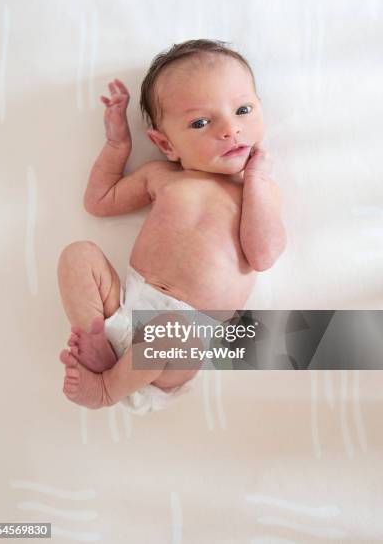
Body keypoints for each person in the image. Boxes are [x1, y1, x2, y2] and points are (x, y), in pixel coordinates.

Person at [57, 39, 286, 415]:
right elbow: (98, 202)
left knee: (173, 328)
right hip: (125, 309)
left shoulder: (256, 192)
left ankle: (106, 388)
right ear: (165, 144)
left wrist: (258, 180)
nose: (231, 129)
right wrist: (117, 146)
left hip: (185, 339)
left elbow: (262, 255)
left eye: (243, 110)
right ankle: (97, 336)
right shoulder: (161, 177)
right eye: (201, 122)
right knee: (78, 255)